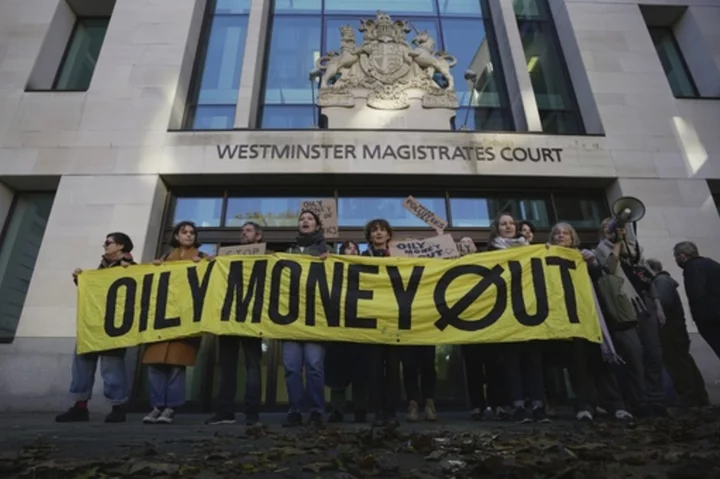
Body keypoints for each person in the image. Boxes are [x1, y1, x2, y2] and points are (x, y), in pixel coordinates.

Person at [549, 222, 633, 422]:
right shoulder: (546, 258)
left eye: (565, 233)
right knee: (577, 362)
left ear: (573, 238)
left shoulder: (583, 256)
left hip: (592, 316)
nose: (561, 236)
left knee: (600, 360)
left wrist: (592, 262)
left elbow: (599, 277)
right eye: (557, 233)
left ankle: (615, 404)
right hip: (567, 318)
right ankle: (584, 404)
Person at [56, 232, 136, 423]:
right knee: (82, 364)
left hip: (113, 327)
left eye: (109, 242)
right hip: (92, 325)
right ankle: (80, 406)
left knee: (112, 366)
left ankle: (118, 406)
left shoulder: (132, 268)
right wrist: (80, 280)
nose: (105, 245)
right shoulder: (101, 268)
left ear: (121, 246)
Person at [594, 219, 667, 417]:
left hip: (644, 306)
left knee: (654, 354)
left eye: (618, 229)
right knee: (634, 355)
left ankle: (656, 399)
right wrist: (616, 243)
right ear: (603, 233)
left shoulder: (635, 252)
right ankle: (639, 401)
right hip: (622, 307)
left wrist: (657, 304)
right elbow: (608, 268)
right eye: (609, 230)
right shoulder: (599, 250)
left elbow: (648, 279)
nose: (615, 232)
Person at [142, 221, 206, 424]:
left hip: (184, 321)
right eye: (184, 232)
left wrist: (205, 265)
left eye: (192, 233)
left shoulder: (202, 258)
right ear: (176, 236)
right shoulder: (163, 259)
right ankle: (156, 406)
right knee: (155, 365)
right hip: (161, 321)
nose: (189, 235)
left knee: (176, 366)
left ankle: (170, 408)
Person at [487, 212, 547, 423]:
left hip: (530, 310)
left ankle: (538, 404)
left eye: (511, 223)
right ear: (497, 228)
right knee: (511, 361)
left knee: (533, 360)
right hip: (505, 313)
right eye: (503, 223)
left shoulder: (531, 249)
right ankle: (518, 404)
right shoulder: (490, 251)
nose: (508, 226)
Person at [206, 221, 265, 426]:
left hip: (251, 318)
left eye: (248, 230)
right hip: (229, 318)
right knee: (226, 366)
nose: (243, 233)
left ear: (258, 237)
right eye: (242, 231)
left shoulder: (265, 257)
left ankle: (251, 413)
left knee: (252, 367)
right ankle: (225, 411)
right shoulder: (226, 258)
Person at [283, 210, 332, 427]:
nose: (305, 221)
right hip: (290, 319)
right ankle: (294, 410)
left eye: (310, 218)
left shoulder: (328, 251)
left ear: (317, 225)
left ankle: (316, 411)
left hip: (315, 318)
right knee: (292, 368)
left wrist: (328, 262)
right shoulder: (288, 251)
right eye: (302, 218)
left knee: (314, 366)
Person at [646, 257, 709, 407]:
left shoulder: (661, 282)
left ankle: (688, 396)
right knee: (684, 362)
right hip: (675, 331)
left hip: (671, 332)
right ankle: (698, 396)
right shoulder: (665, 281)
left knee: (678, 364)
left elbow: (661, 304)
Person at [325, 240, 370, 423]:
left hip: (360, 328)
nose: (350, 250)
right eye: (346, 248)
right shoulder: (332, 269)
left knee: (360, 373)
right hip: (337, 328)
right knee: (337, 373)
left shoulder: (368, 269)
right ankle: (338, 409)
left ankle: (360, 409)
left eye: (354, 248)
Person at [363, 219, 401, 427]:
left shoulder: (400, 256)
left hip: (394, 319)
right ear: (369, 236)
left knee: (393, 368)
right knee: (374, 368)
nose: (378, 233)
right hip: (370, 321)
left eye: (382, 230)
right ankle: (377, 411)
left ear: (388, 235)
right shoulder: (362, 258)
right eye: (374, 231)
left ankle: (391, 411)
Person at [673, 241, 720, 361]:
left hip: (711, 318)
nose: (676, 260)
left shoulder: (691, 267)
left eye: (676, 257)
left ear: (682, 256)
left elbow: (696, 294)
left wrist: (699, 318)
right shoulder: (712, 263)